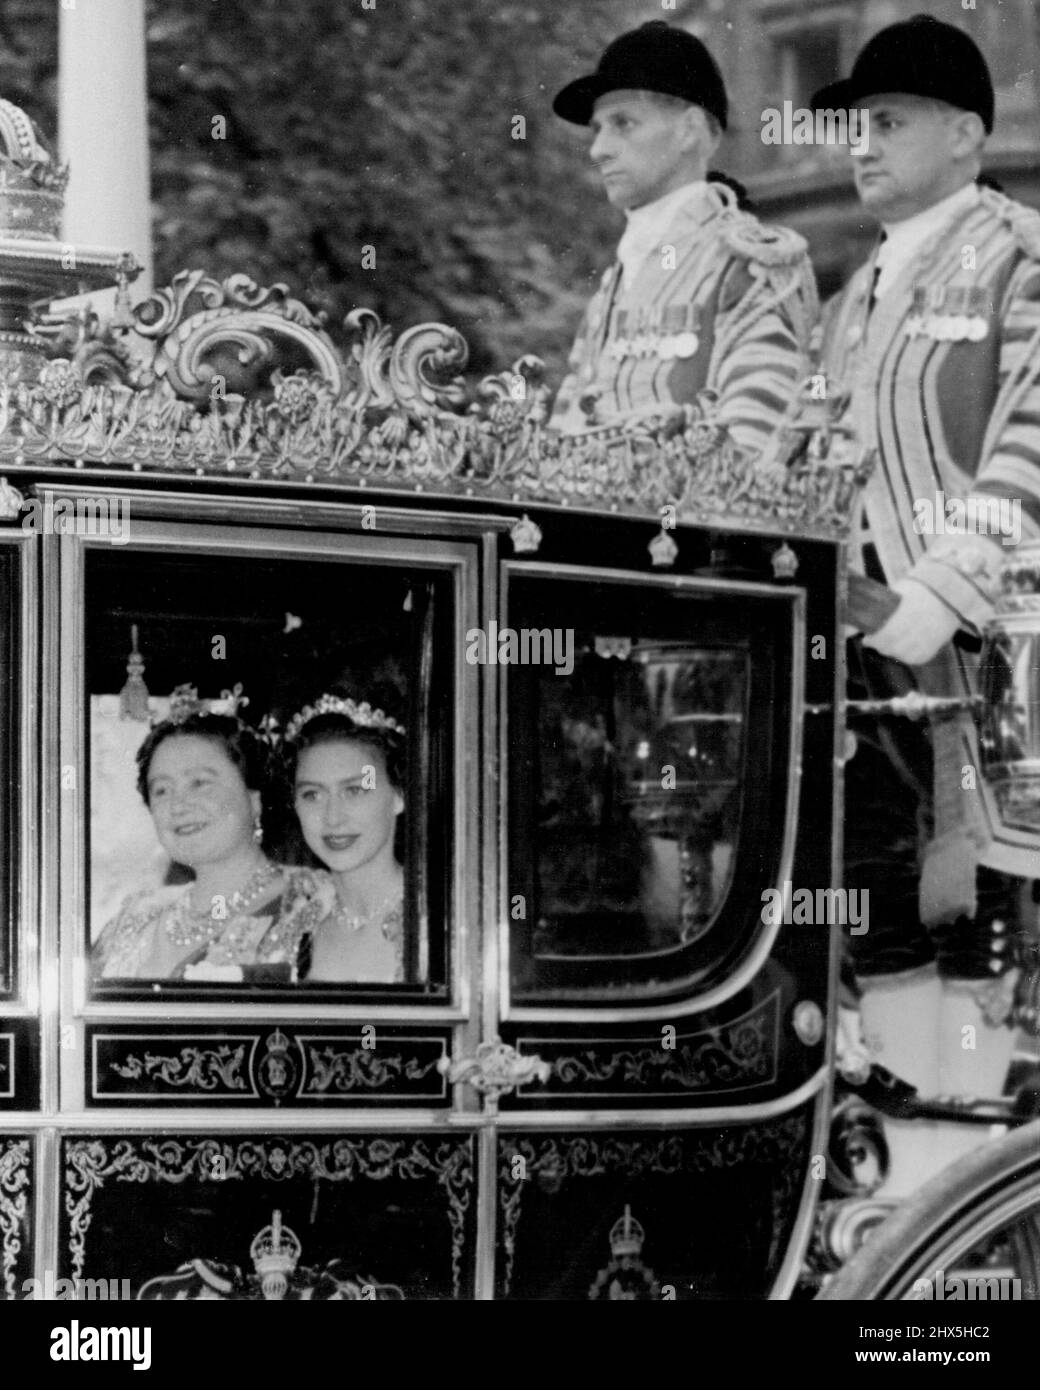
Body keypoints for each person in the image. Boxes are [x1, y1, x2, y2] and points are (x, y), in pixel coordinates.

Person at [810, 14, 1040, 1192]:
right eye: (854, 124)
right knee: (879, 920)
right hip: (859, 651)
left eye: (886, 121)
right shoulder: (853, 294)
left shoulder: (1020, 253)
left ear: (962, 134)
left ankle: (971, 1205)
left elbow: (1031, 446)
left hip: (992, 659)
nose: (860, 145)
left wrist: (937, 594)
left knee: (980, 927)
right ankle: (907, 1199)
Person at [549, 20, 817, 450]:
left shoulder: (745, 266)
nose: (599, 149)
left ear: (689, 130)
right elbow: (564, 438)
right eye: (598, 128)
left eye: (623, 123)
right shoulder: (613, 285)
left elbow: (754, 452)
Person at [92, 686, 330, 982]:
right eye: (161, 790)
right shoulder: (135, 919)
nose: (178, 805)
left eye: (199, 783)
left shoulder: (313, 902)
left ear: (255, 797)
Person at [283, 694, 407, 984]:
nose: (332, 817)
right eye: (312, 795)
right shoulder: (296, 923)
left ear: (399, 796)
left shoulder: (435, 923)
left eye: (354, 790)